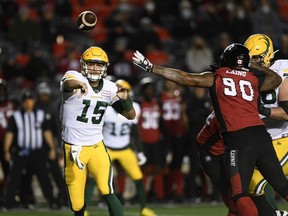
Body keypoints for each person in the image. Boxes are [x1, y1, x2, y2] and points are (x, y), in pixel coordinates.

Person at [132, 44, 288, 216]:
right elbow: (275, 79)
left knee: (238, 195)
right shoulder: (252, 79)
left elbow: (183, 77)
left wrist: (152, 68)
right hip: (262, 137)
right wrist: (251, 65)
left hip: (238, 141)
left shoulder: (217, 78)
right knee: (282, 185)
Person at [60, 46, 135, 216]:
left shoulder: (109, 88)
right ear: (83, 65)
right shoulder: (74, 77)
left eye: (99, 65)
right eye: (91, 64)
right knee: (77, 204)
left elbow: (130, 115)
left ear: (105, 67)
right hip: (73, 148)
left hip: (96, 146)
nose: (95, 68)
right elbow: (67, 83)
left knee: (106, 189)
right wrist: (78, 84)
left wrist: (126, 100)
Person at [244, 34, 288, 214]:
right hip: (261, 142)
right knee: (249, 185)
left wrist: (263, 110)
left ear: (268, 53)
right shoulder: (244, 75)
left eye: (256, 57)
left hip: (283, 138)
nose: (253, 62)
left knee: (256, 182)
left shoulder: (283, 68)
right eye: (250, 58)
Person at [101, 79, 156, 216]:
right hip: (107, 148)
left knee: (138, 176)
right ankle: (85, 210)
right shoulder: (106, 108)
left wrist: (140, 151)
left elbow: (135, 132)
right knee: (94, 177)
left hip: (125, 148)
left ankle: (144, 208)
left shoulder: (134, 107)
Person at [2, 90, 59, 210]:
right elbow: (10, 134)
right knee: (15, 178)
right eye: (26, 100)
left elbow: (47, 132)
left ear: (34, 101)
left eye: (30, 100)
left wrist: (52, 148)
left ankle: (53, 202)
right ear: (22, 102)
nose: (28, 103)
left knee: (44, 178)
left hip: (37, 152)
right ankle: (8, 203)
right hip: (21, 152)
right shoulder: (16, 116)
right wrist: (6, 150)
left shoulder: (40, 115)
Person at [0, 79, 14, 197]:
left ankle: (9, 195)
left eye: (2, 90)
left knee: (10, 170)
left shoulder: (11, 104)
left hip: (10, 142)